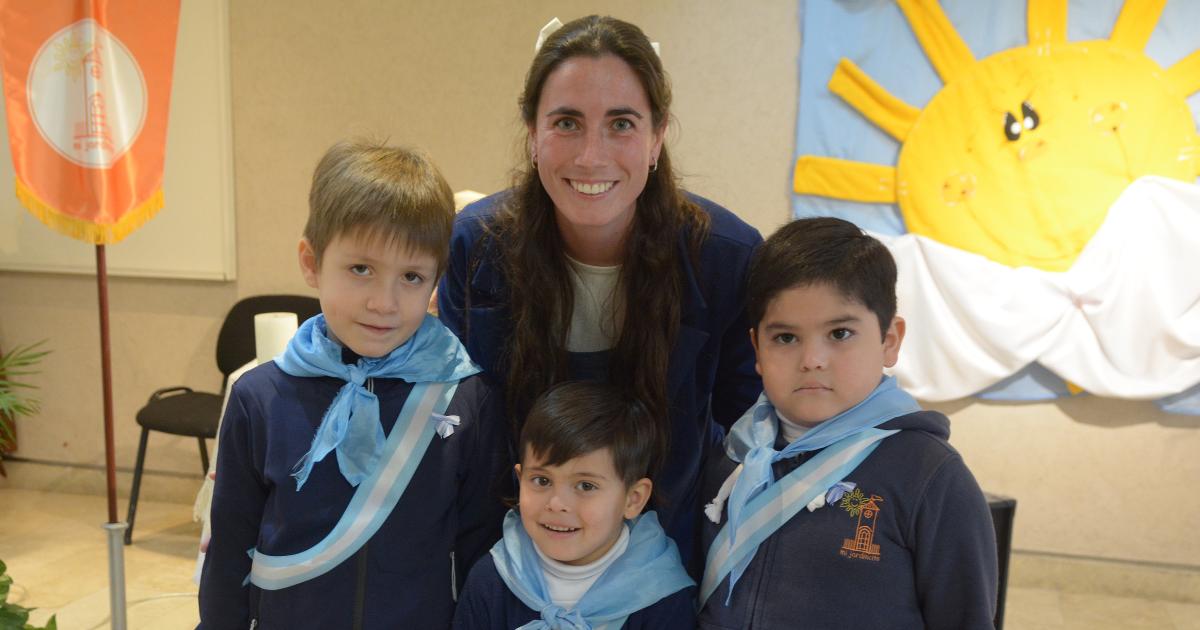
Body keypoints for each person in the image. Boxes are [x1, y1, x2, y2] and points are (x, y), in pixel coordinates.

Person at [437, 15, 763, 570]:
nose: (592, 155)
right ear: (533, 136)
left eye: (621, 124)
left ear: (657, 137)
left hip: (665, 570)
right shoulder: (476, 247)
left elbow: (747, 435)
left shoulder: (724, 259)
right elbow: (458, 427)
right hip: (509, 568)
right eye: (566, 122)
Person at [198, 140, 507, 629]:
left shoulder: (467, 398)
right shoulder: (258, 397)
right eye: (361, 269)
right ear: (311, 262)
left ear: (436, 283)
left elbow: (480, 552)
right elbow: (230, 549)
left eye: (411, 276)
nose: (384, 302)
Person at [697, 217, 998, 629]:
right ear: (757, 349)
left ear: (889, 340)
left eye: (839, 333)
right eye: (785, 337)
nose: (812, 359)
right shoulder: (733, 454)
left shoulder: (931, 478)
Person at [453, 381, 695, 629]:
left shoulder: (661, 597)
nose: (557, 504)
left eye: (586, 486)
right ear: (520, 479)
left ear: (633, 499)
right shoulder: (491, 581)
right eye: (542, 480)